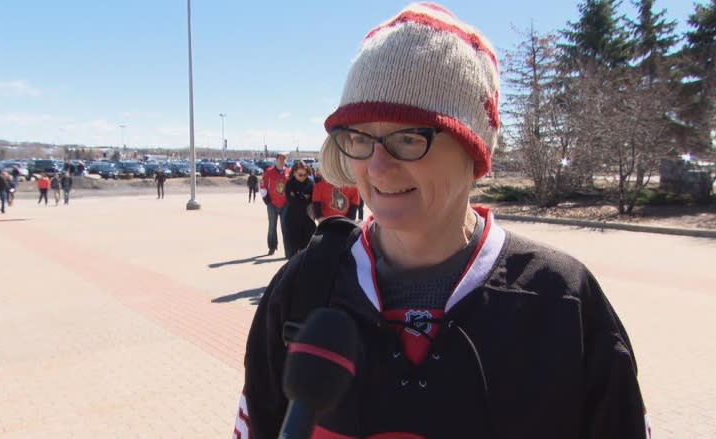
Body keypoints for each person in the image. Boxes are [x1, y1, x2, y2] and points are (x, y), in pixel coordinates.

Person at [235, 4, 649, 439]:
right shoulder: (304, 291)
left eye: (409, 137)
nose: (377, 167)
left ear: (473, 151)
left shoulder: (560, 301)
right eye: (359, 137)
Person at [283, 160, 316, 258]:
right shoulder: (289, 183)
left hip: (307, 221)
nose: (303, 177)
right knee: (292, 251)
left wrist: (298, 195)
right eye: (300, 175)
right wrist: (303, 197)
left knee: (306, 250)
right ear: (294, 173)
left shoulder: (310, 183)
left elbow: (312, 200)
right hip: (292, 220)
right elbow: (291, 200)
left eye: (305, 175)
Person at [259, 152, 290, 256]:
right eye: (280, 159)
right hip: (272, 204)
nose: (282, 161)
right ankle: (272, 247)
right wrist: (267, 200)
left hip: (285, 204)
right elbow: (262, 186)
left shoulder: (289, 172)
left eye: (284, 159)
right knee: (272, 226)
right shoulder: (269, 172)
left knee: (285, 227)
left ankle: (288, 249)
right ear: (276, 160)